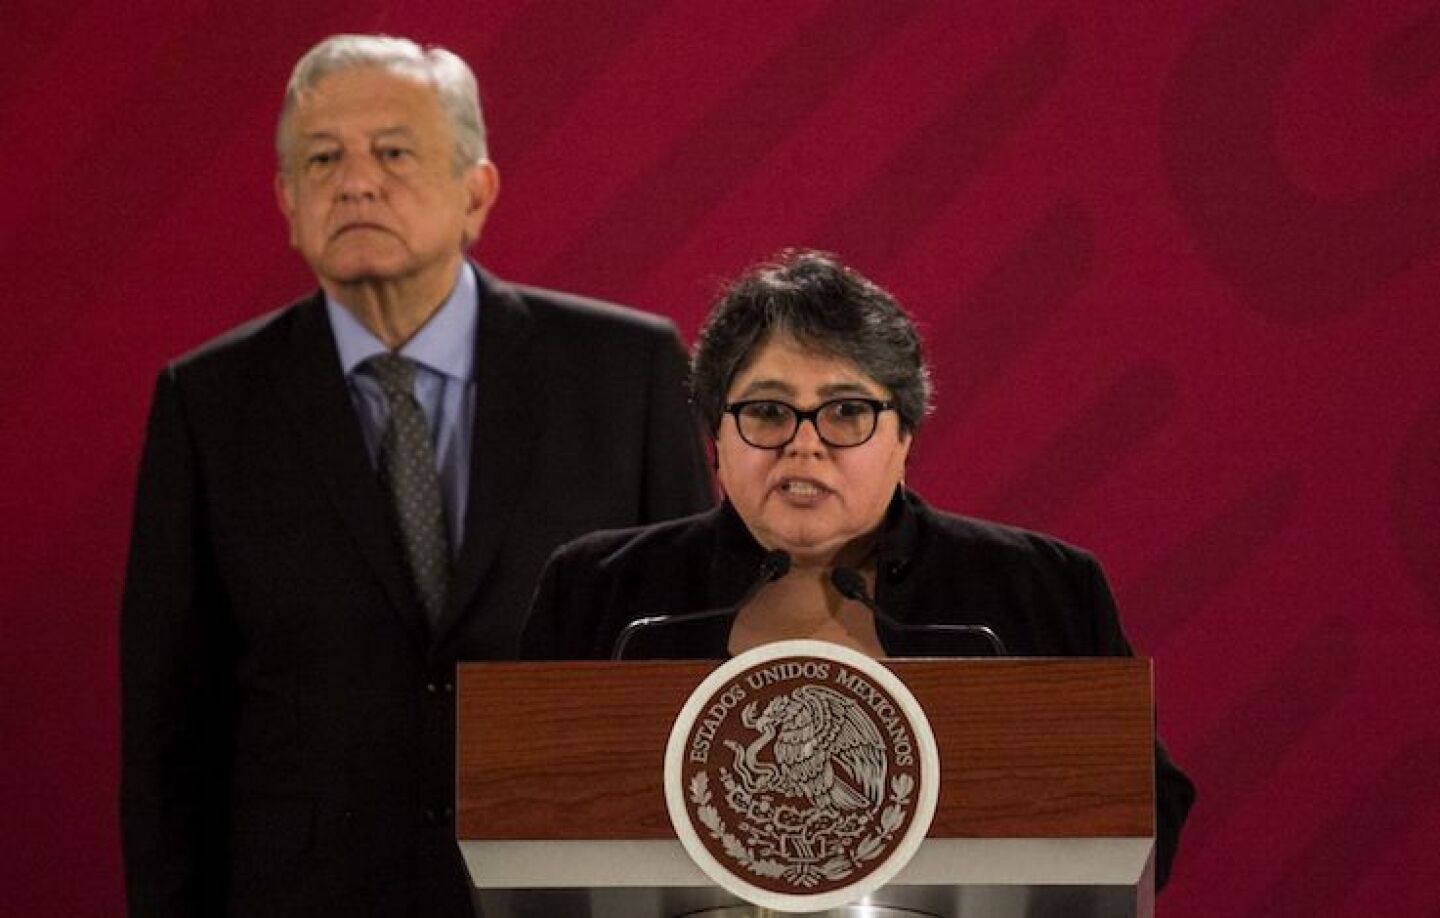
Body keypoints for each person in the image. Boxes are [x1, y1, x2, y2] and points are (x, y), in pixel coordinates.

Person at [120, 35, 713, 917]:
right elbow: (170, 724)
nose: (355, 182)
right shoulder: (208, 404)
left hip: (568, 893)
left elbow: (694, 669)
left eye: (393, 152)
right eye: (322, 160)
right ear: (287, 203)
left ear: (477, 192)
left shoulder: (628, 372)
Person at [520, 249, 1195, 889]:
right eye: (766, 412)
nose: (804, 444)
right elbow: (518, 819)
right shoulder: (602, 595)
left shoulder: (1039, 591)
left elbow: (1146, 820)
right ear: (717, 437)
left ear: (904, 435)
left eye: (847, 412)